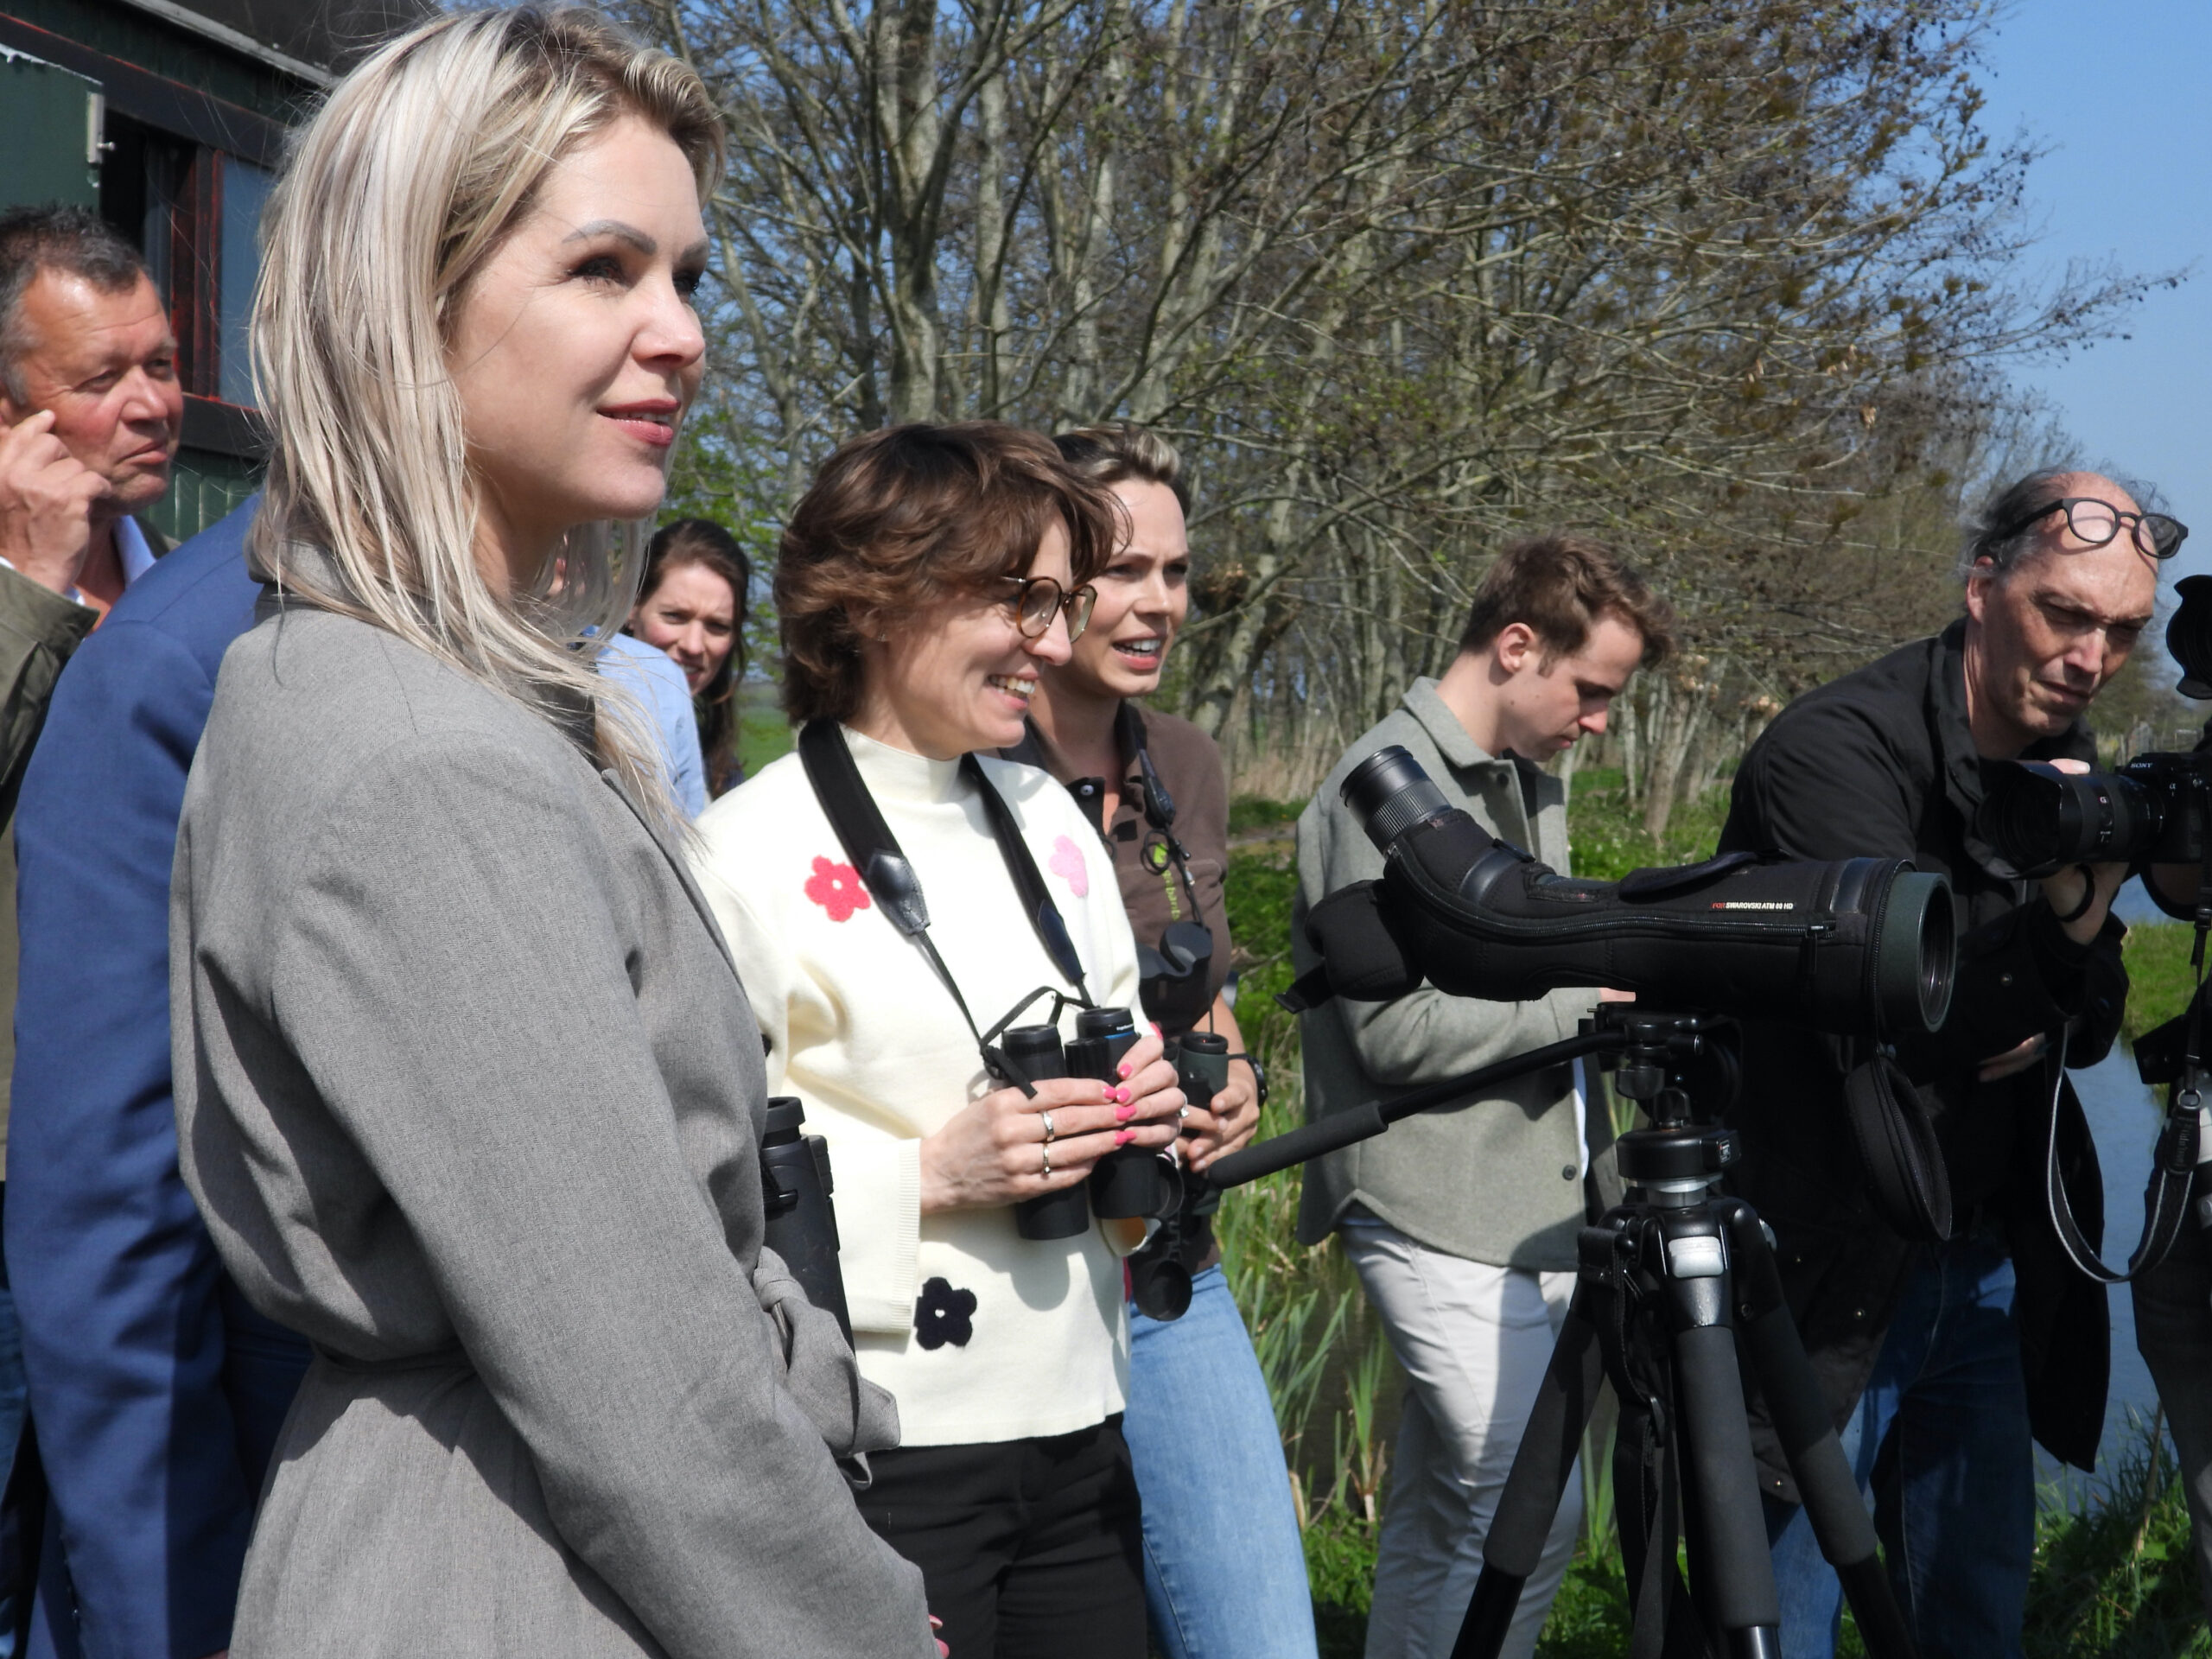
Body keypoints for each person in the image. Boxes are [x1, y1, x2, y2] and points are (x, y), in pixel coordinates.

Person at [167, 11, 935, 1656]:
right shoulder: (419, 762)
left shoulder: (422, 694)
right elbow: (645, 1400)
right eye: (603, 268)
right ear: (409, 302)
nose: (681, 336)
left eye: (691, 277)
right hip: (519, 1575)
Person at [692, 421, 1186, 1659]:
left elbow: (1116, 1066)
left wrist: (1149, 1110)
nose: (1058, 645)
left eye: (1063, 604)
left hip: (1082, 1428)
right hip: (885, 1452)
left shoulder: (1054, 822)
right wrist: (930, 1174)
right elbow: (688, 1187)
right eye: (1022, 600)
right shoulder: (734, 856)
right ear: (878, 594)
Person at [1718, 468, 2155, 1656]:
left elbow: (2096, 1020)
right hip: (1819, 1272)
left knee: (1972, 1620)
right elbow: (1936, 1014)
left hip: (1983, 1262)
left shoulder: (2062, 764)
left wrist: (2058, 948)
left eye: (2121, 630)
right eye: (2065, 612)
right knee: (1784, 1623)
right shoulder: (1830, 755)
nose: (2090, 654)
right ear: (1981, 587)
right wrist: (2062, 929)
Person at [1294, 534, 1673, 1659]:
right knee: (1526, 1516)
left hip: (1522, 1214)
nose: (1600, 719)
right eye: (1592, 689)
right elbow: (1392, 1038)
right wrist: (1583, 1003)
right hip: (1429, 1208)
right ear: (1518, 647)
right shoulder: (1374, 793)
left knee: (1435, 1516)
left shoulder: (1526, 779)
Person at [1000, 422, 1316, 1659]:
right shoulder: (971, 759)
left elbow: (1211, 985)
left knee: (1261, 1638)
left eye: (1176, 574)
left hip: (1170, 1268)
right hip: (1014, 1274)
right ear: (1048, 580)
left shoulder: (1184, 761)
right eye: (1125, 571)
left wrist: (1232, 1065)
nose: (1158, 604)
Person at [0, 201, 182, 1657]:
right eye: (102, 375)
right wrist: (24, 592)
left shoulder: (180, 581)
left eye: (166, 363)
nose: (153, 402)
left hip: (159, 1180)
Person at [627, 516, 749, 798]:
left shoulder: (722, 773)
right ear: (632, 608)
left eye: (717, 626)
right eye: (675, 617)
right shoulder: (581, 737)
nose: (694, 646)